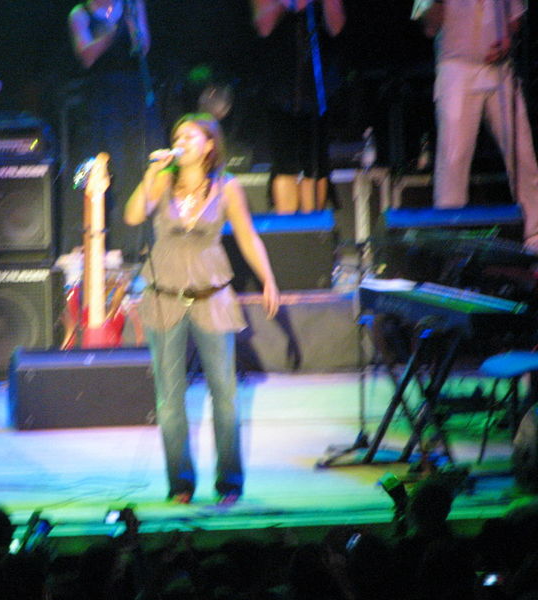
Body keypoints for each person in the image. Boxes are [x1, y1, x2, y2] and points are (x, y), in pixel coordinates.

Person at [124, 113, 280, 505]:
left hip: (212, 299)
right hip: (163, 298)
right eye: (178, 136)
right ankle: (181, 483)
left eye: (190, 136)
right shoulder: (162, 180)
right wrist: (152, 171)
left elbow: (248, 237)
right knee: (169, 398)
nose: (182, 142)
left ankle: (229, 483)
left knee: (225, 394)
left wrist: (268, 278)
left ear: (209, 145)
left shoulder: (227, 187)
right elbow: (133, 215)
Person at [412, 0, 538, 249]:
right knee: (453, 160)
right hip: (456, 69)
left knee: (522, 153)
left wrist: (508, 40)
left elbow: (515, 17)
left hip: (500, 69)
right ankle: (450, 243)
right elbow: (430, 27)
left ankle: (535, 236)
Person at [68, 0, 163, 261]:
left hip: (133, 94)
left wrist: (130, 25)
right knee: (108, 166)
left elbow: (142, 47)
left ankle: (139, 242)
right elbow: (87, 56)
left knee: (137, 162)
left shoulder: (133, 4)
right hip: (101, 98)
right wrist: (111, 31)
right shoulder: (80, 13)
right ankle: (103, 241)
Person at [250, 0, 346, 214]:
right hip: (280, 88)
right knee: (285, 164)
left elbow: (336, 26)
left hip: (318, 89)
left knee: (316, 163)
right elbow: (264, 26)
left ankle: (314, 226)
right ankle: (288, 227)